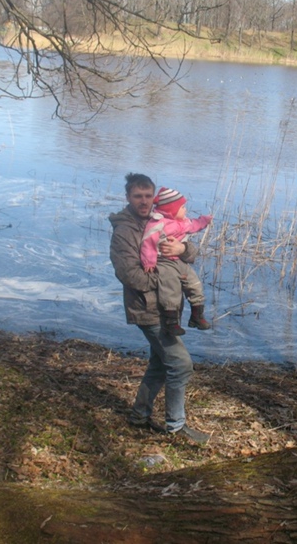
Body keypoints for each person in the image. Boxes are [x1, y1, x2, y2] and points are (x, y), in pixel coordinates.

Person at [108, 172, 210, 444]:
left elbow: (189, 255)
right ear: (128, 197)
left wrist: (182, 247)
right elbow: (129, 275)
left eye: (147, 196)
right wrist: (167, 279)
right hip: (147, 308)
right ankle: (176, 427)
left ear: (154, 197)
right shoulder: (124, 231)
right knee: (180, 364)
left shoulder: (163, 219)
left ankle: (139, 416)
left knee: (159, 365)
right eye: (137, 196)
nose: (143, 201)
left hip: (168, 307)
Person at [141, 186, 213, 336]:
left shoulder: (183, 221)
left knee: (194, 283)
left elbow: (194, 225)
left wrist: (204, 220)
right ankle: (171, 322)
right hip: (163, 260)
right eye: (182, 207)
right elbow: (148, 242)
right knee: (170, 287)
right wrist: (149, 261)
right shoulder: (157, 223)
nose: (185, 210)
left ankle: (196, 315)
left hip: (179, 260)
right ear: (171, 210)